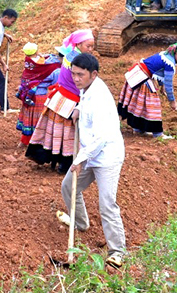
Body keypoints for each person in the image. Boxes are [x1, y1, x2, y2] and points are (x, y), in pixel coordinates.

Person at [59, 53, 126, 269]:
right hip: (89, 152)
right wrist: (79, 108)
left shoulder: (100, 99)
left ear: (93, 74)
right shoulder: (87, 88)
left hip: (106, 156)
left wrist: (79, 160)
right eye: (73, 74)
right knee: (69, 186)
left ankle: (117, 251)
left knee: (107, 203)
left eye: (80, 75)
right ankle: (80, 223)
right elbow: (83, 98)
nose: (76, 79)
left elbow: (101, 137)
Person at [26, 29, 94, 173]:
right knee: (68, 134)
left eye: (92, 46)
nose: (91, 49)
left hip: (59, 99)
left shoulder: (70, 54)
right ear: (79, 44)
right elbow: (83, 83)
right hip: (70, 102)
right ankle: (65, 164)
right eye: (88, 46)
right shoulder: (80, 60)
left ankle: (51, 158)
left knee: (55, 131)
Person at [118, 42, 177, 139]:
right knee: (152, 105)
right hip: (142, 78)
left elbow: (157, 71)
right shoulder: (170, 64)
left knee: (139, 104)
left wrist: (161, 86)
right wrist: (172, 101)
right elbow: (169, 85)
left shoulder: (164, 54)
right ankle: (157, 133)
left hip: (138, 74)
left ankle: (138, 129)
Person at [15, 43, 64, 146]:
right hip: (40, 97)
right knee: (39, 120)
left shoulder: (33, 62)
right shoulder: (56, 69)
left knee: (29, 117)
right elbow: (55, 85)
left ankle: (24, 141)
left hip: (28, 92)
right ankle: (37, 143)